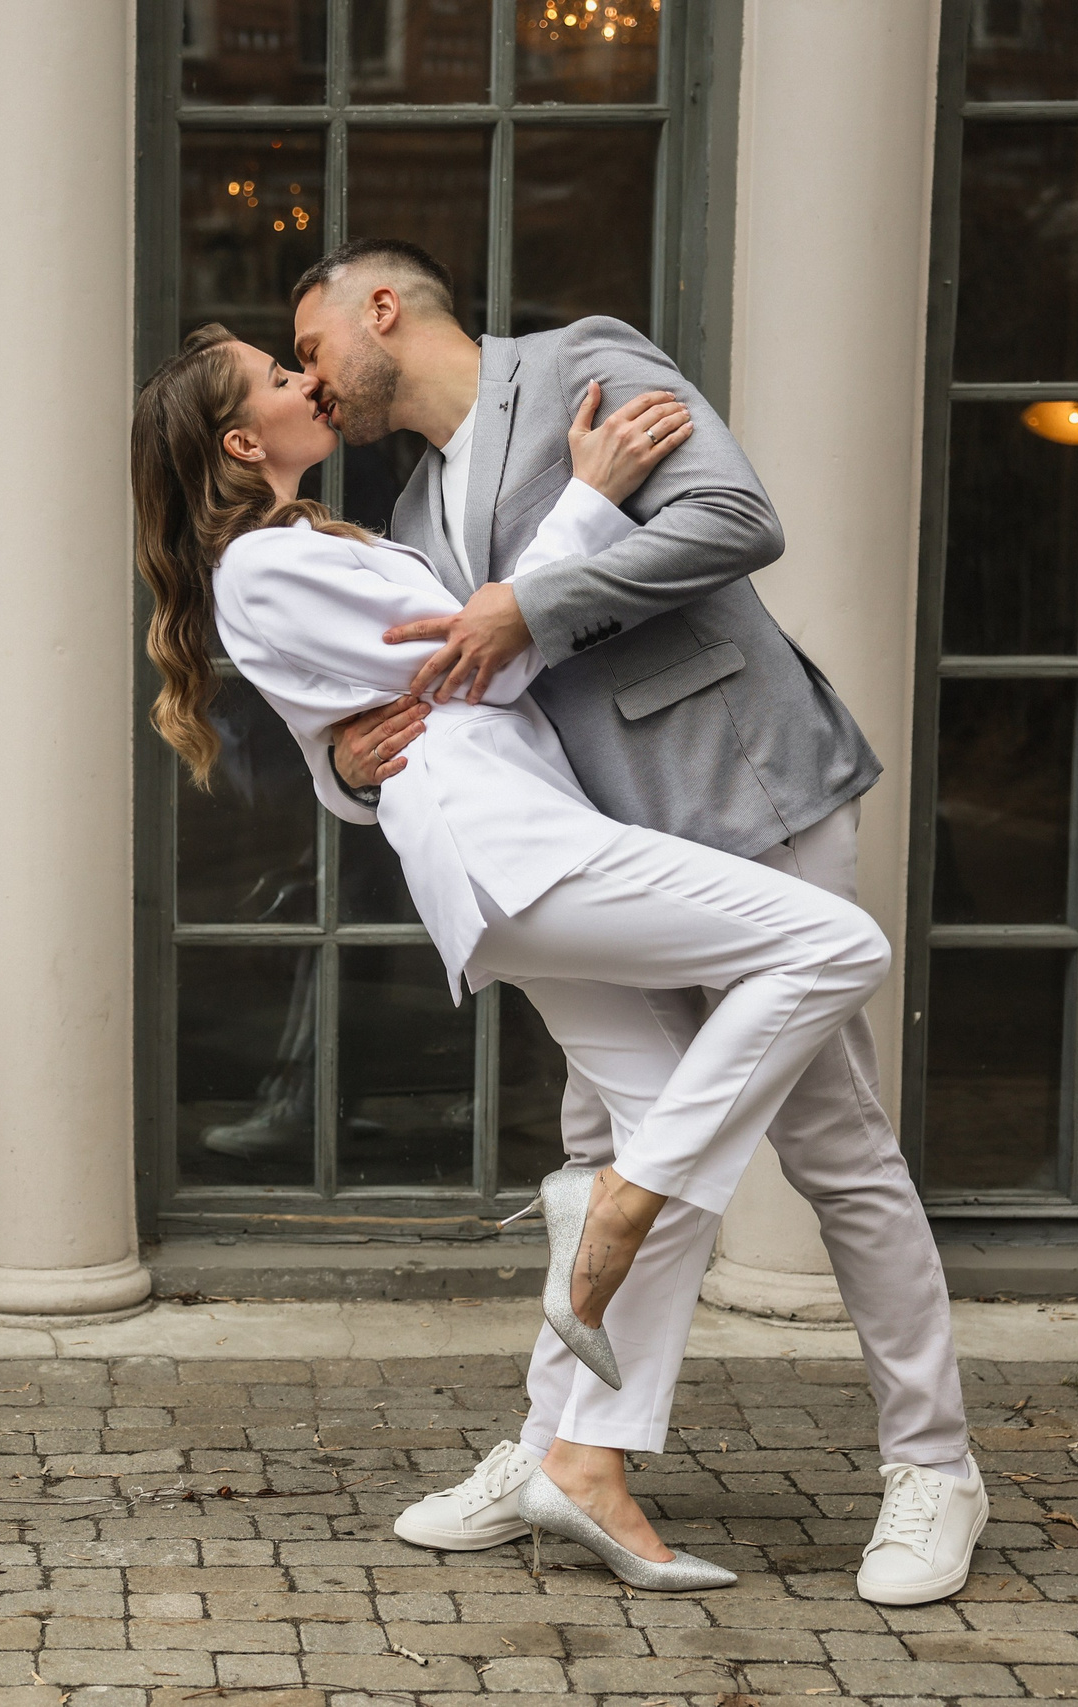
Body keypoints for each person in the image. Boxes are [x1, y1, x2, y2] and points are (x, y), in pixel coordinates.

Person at [132, 322, 894, 1592]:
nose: (302, 380)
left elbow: (447, 669)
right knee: (831, 943)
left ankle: (580, 1458)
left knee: (673, 1141)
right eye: (278, 376)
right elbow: (482, 653)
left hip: (522, 848)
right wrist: (592, 500)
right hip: (517, 852)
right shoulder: (260, 563)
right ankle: (611, 1198)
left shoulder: (310, 541)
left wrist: (375, 732)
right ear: (239, 441)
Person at [292, 236, 986, 1606]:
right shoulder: (419, 512)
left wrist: (533, 597)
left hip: (750, 793)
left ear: (383, 305)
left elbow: (737, 515)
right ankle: (569, 1449)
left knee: (834, 1139)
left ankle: (934, 1465)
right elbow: (428, 692)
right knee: (604, 1140)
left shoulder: (585, 364)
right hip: (613, 852)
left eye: (309, 344)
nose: (311, 381)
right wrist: (347, 768)